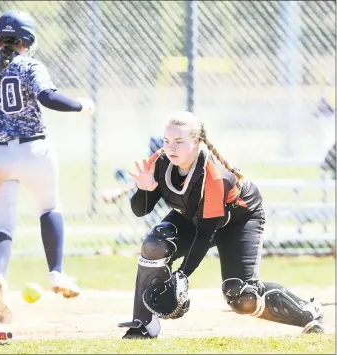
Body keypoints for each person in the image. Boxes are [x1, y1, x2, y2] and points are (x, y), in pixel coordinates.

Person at [118, 111, 325, 339]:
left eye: (179, 141)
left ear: (196, 142)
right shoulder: (161, 161)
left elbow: (206, 234)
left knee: (241, 296)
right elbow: (141, 211)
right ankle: (143, 324)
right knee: (154, 246)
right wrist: (145, 189)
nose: (171, 147)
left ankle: (308, 312)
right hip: (193, 216)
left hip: (238, 221)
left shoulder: (214, 176)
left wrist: (182, 275)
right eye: (167, 141)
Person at [0, 9, 95, 324]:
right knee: (49, 207)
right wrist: (80, 105)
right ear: (27, 40)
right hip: (32, 150)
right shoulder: (30, 65)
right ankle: (57, 273)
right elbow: (47, 96)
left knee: (0, 226)